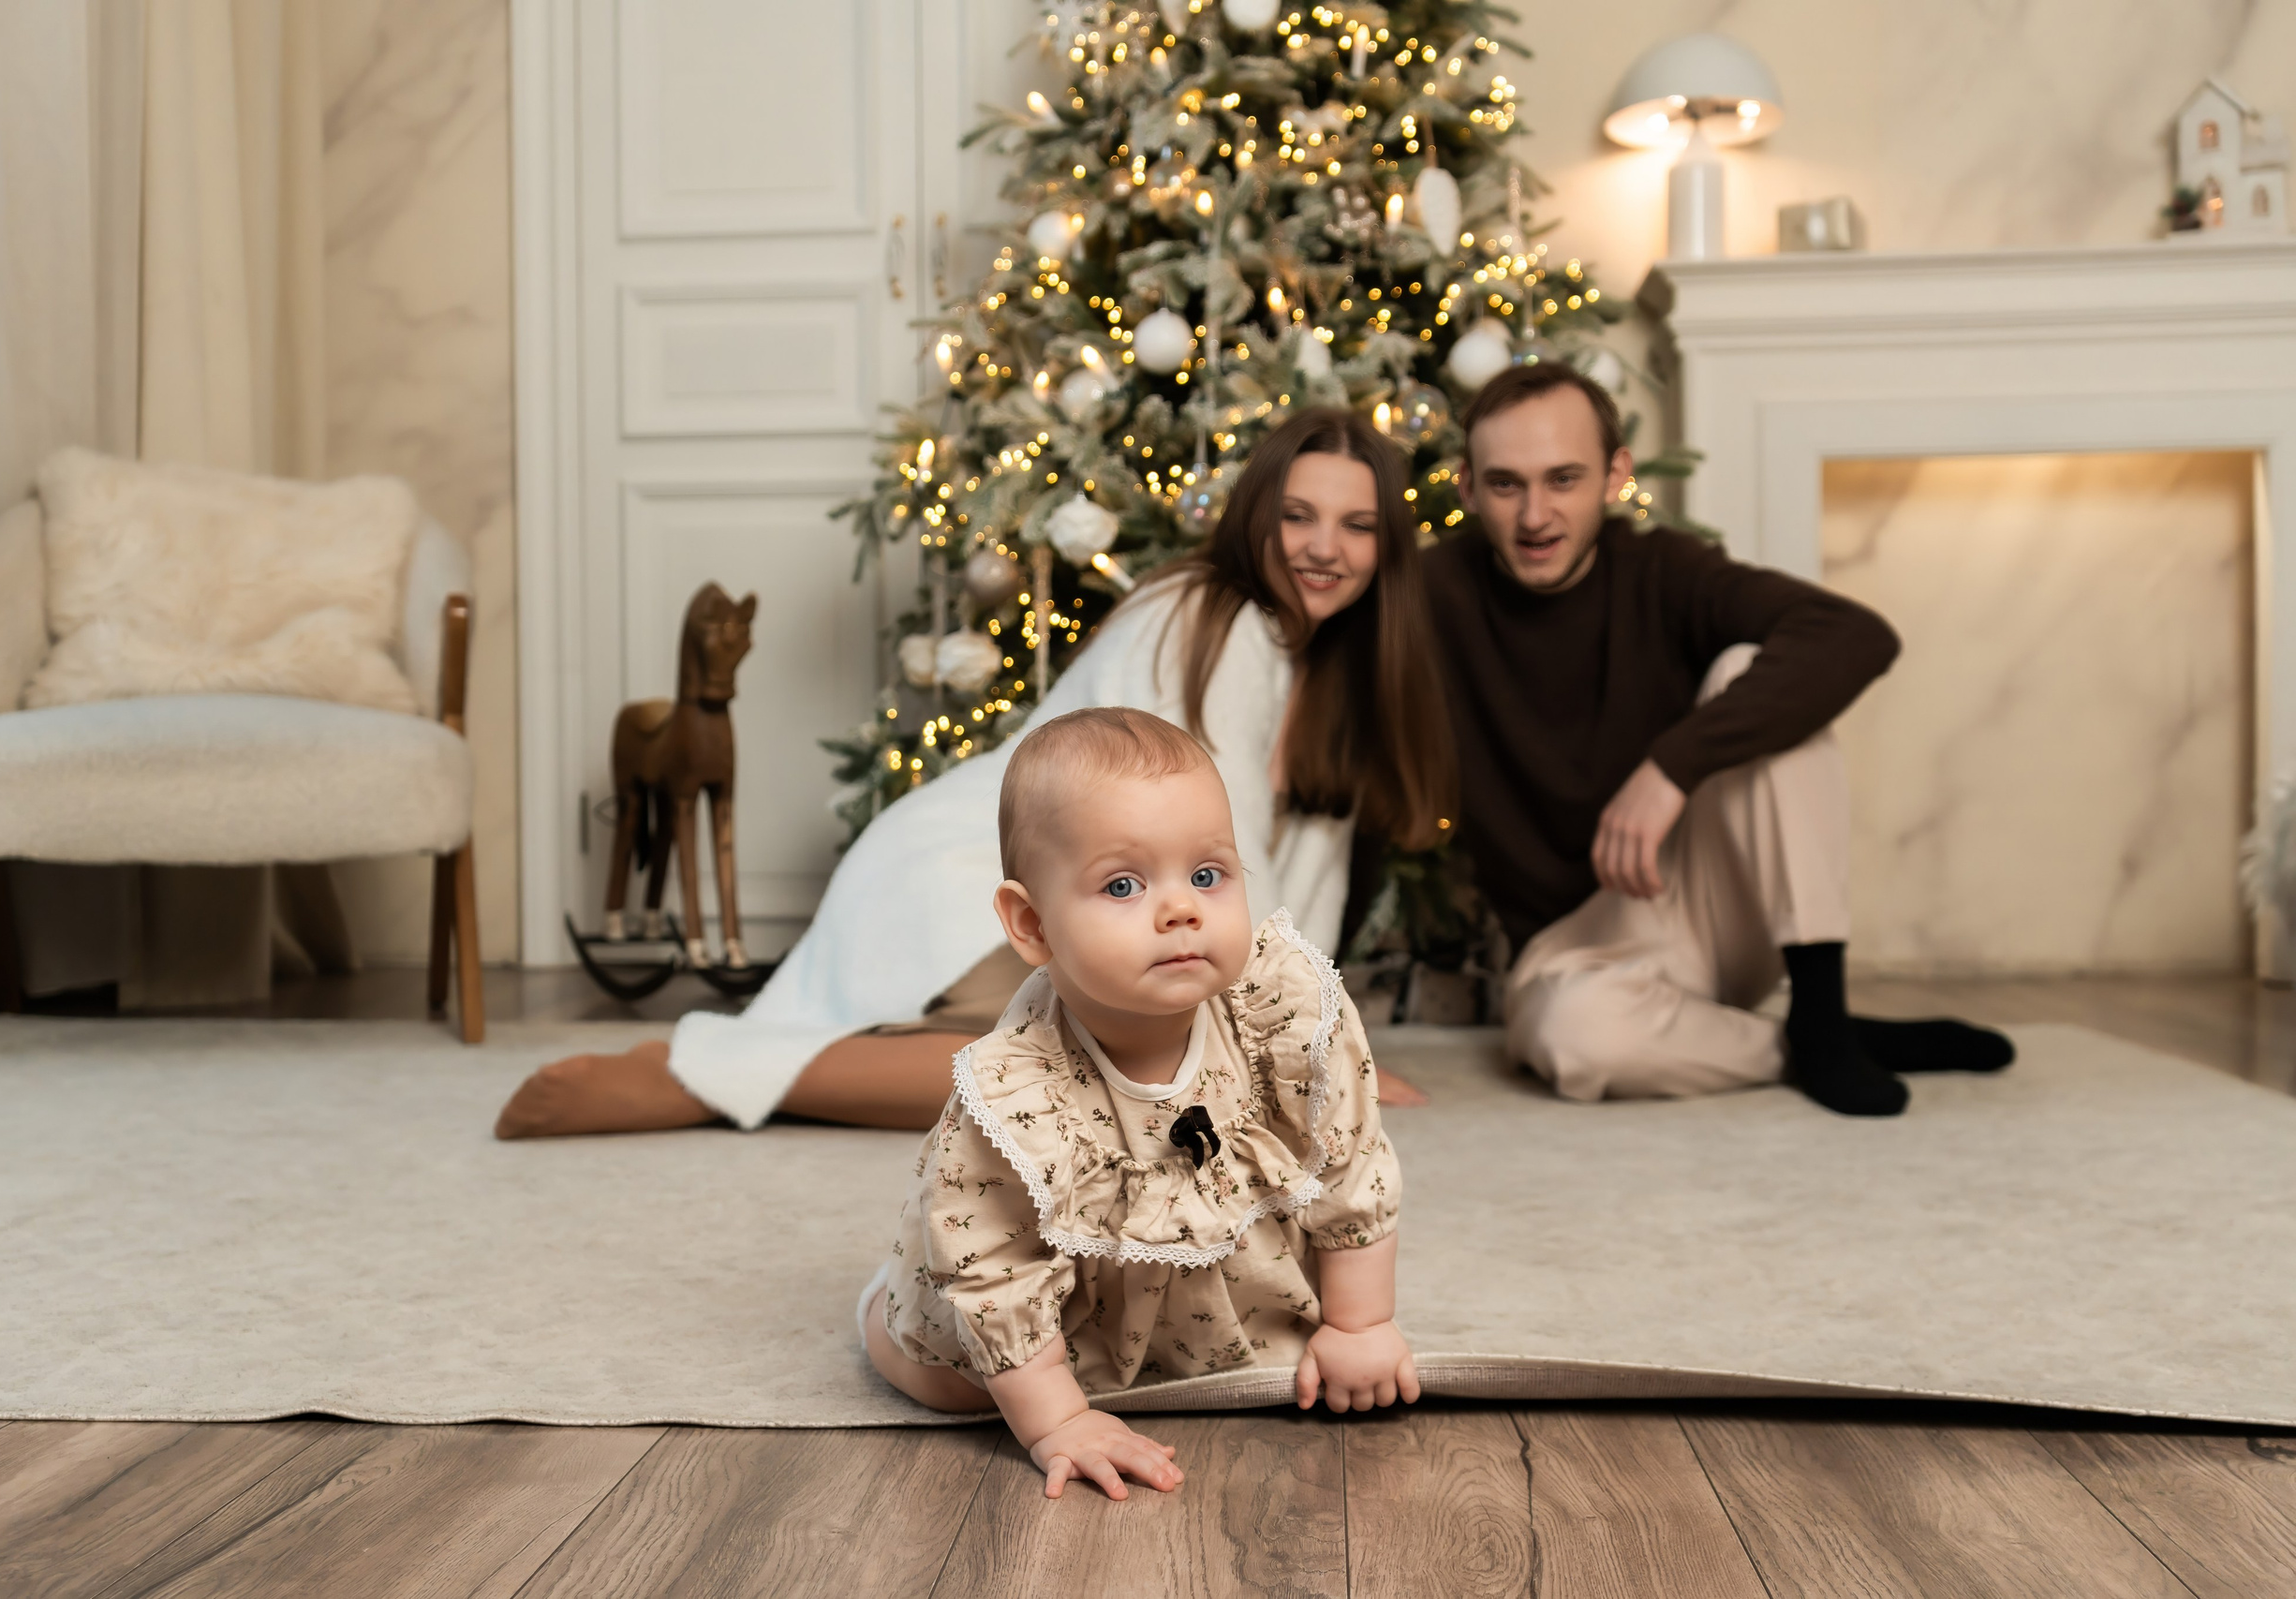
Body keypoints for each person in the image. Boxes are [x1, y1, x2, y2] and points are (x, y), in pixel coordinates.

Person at [496, 407, 1452, 1138]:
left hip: (1096, 906)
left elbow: (1298, 897)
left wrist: (1322, 1047)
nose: (1325, 547)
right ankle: (709, 1077)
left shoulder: (1334, 673)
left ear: (1386, 548)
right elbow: (1223, 855)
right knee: (1109, 1080)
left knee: (1150, 1078)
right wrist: (1315, 1060)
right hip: (985, 880)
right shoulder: (1215, 617)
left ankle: (751, 1066)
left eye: (1356, 526)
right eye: (1297, 516)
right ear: (1255, 519)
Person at [1425, 363, 2013, 1117]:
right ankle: (1813, 1040)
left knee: (1761, 673)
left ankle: (1819, 1005)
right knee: (1576, 1038)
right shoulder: (1429, 596)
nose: (1536, 515)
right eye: (1507, 485)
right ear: (1468, 489)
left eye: (1564, 479)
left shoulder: (1666, 570)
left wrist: (1670, 768)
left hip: (1706, 901)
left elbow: (1854, 635)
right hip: (1579, 948)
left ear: (1615, 475)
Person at [865, 706, 1416, 1498]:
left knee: (1285, 1348)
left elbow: (1350, 1161)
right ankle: (880, 1306)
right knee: (952, 1380)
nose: (1182, 908)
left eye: (1207, 874)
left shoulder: (1283, 1015)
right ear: (1033, 923)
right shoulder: (1016, 1093)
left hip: (1205, 1297)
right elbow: (994, 1267)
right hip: (1040, 1302)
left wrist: (1359, 1323)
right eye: (1123, 884)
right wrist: (1058, 1419)